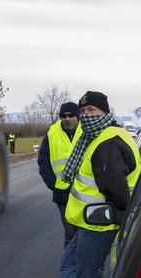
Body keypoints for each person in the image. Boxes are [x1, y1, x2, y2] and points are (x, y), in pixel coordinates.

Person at [29, 91, 140, 278]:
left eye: (92, 110)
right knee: (68, 265)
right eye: (83, 111)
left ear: (105, 111)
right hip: (86, 221)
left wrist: (119, 222)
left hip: (100, 224)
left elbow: (118, 193)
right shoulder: (95, 135)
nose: (86, 115)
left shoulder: (108, 142)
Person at [37, 102, 82, 248]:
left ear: (78, 116)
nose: (67, 119)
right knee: (71, 234)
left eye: (71, 115)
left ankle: (86, 269)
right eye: (63, 116)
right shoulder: (52, 133)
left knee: (88, 235)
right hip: (63, 193)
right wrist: (53, 184)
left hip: (89, 193)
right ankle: (70, 270)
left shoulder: (87, 129)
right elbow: (43, 161)